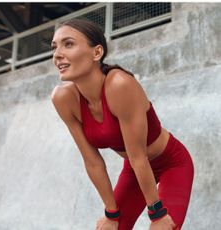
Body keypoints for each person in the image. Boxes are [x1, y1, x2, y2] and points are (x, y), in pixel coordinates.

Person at [51, 18, 194, 230]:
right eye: (55, 47)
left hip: (172, 163)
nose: (57, 54)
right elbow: (92, 162)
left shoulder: (119, 84)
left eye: (68, 44)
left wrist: (157, 214)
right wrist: (111, 213)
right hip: (135, 169)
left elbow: (139, 157)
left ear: (97, 53)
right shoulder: (63, 98)